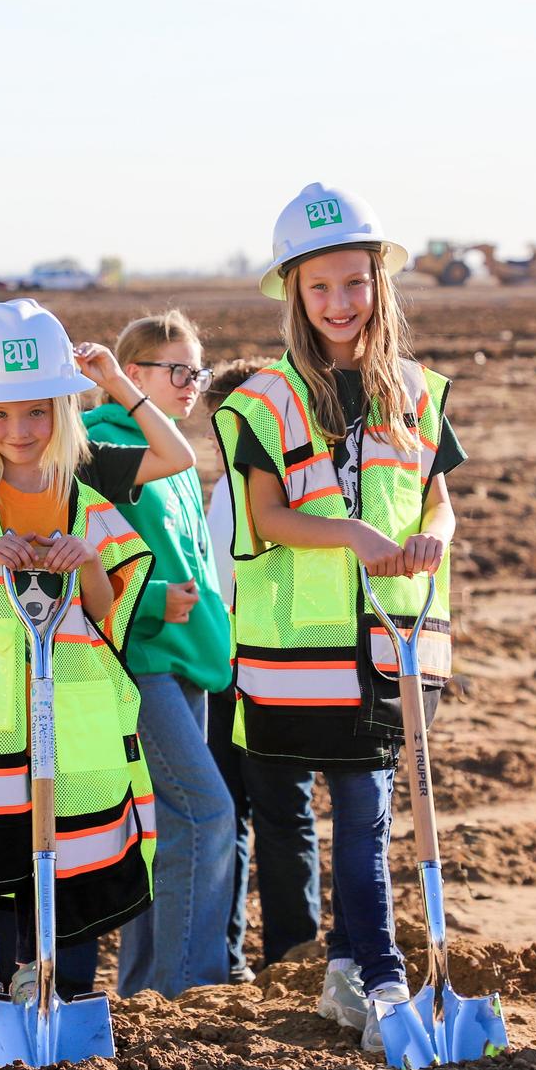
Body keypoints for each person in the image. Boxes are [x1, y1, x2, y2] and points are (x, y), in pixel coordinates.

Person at [212, 184, 465, 1054]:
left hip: (398, 644)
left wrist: (430, 537)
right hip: (304, 654)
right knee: (359, 816)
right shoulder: (264, 401)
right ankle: (386, 979)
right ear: (294, 295)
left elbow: (440, 503)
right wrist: (351, 535)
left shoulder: (421, 394)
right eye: (319, 288)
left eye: (353, 283)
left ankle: (353, 972)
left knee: (370, 816)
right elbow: (268, 518)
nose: (339, 304)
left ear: (379, 283)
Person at [0, 298, 157, 1027]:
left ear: (64, 412)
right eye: (2, 417)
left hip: (65, 718)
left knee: (40, 849)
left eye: (37, 413)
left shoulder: (88, 504)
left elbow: (108, 609)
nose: (20, 432)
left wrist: (86, 563)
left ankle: (26, 973)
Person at [86, 311, 237, 998]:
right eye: (176, 372)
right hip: (139, 657)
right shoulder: (105, 445)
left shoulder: (171, 451)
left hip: (187, 659)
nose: (190, 386)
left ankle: (146, 989)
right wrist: (149, 607)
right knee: (205, 814)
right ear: (132, 375)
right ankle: (186, 985)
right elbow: (85, 558)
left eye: (196, 372)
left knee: (160, 827)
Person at [204, 357, 321, 982]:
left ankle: (281, 960)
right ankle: (258, 959)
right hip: (242, 672)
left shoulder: (254, 492)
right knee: (247, 815)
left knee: (267, 815)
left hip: (266, 670)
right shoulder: (229, 489)